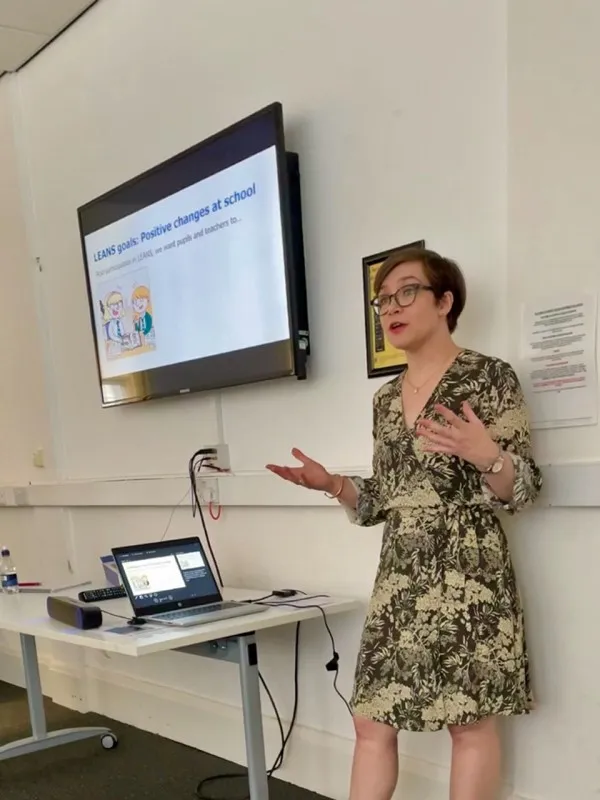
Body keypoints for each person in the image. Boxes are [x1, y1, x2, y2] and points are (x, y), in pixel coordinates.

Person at [266, 247, 542, 800]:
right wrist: (335, 486)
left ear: (445, 301)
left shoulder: (488, 377)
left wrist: (487, 454)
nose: (391, 307)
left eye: (407, 291)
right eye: (383, 299)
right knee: (370, 719)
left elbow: (525, 489)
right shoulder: (385, 400)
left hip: (472, 570)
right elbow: (384, 501)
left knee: (469, 721)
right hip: (400, 575)